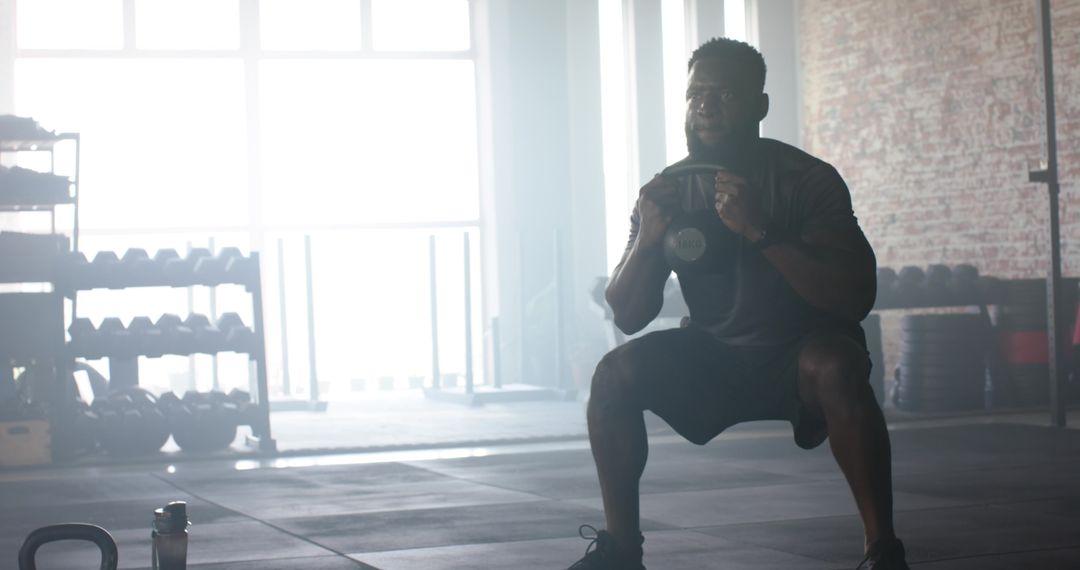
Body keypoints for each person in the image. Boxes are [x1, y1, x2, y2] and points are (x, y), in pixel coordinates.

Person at [567, 38, 908, 570]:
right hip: (713, 354)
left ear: (759, 107)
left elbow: (854, 298)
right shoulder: (667, 193)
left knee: (838, 363)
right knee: (613, 375)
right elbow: (629, 315)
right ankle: (620, 552)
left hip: (798, 356)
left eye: (724, 94)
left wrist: (760, 230)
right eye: (696, 94)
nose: (705, 106)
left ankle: (882, 550)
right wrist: (648, 237)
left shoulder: (807, 181)